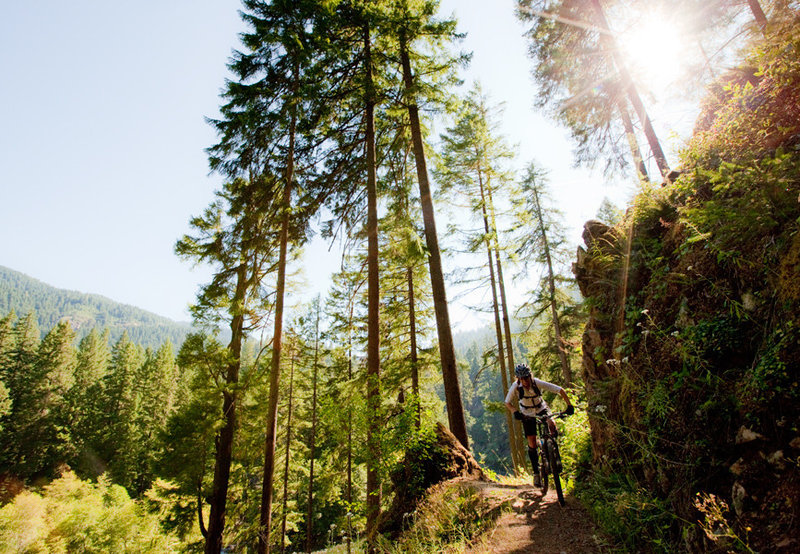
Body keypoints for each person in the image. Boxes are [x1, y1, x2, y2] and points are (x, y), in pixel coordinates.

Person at [505, 362, 574, 487]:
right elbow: (507, 402)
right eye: (521, 379)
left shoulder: (536, 382)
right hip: (527, 413)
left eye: (526, 377)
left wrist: (569, 406)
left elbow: (560, 390)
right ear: (518, 379)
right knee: (531, 442)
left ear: (530, 376)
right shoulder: (516, 387)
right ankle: (536, 473)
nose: (525, 381)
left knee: (551, 424)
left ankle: (554, 455)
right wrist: (515, 412)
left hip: (541, 408)